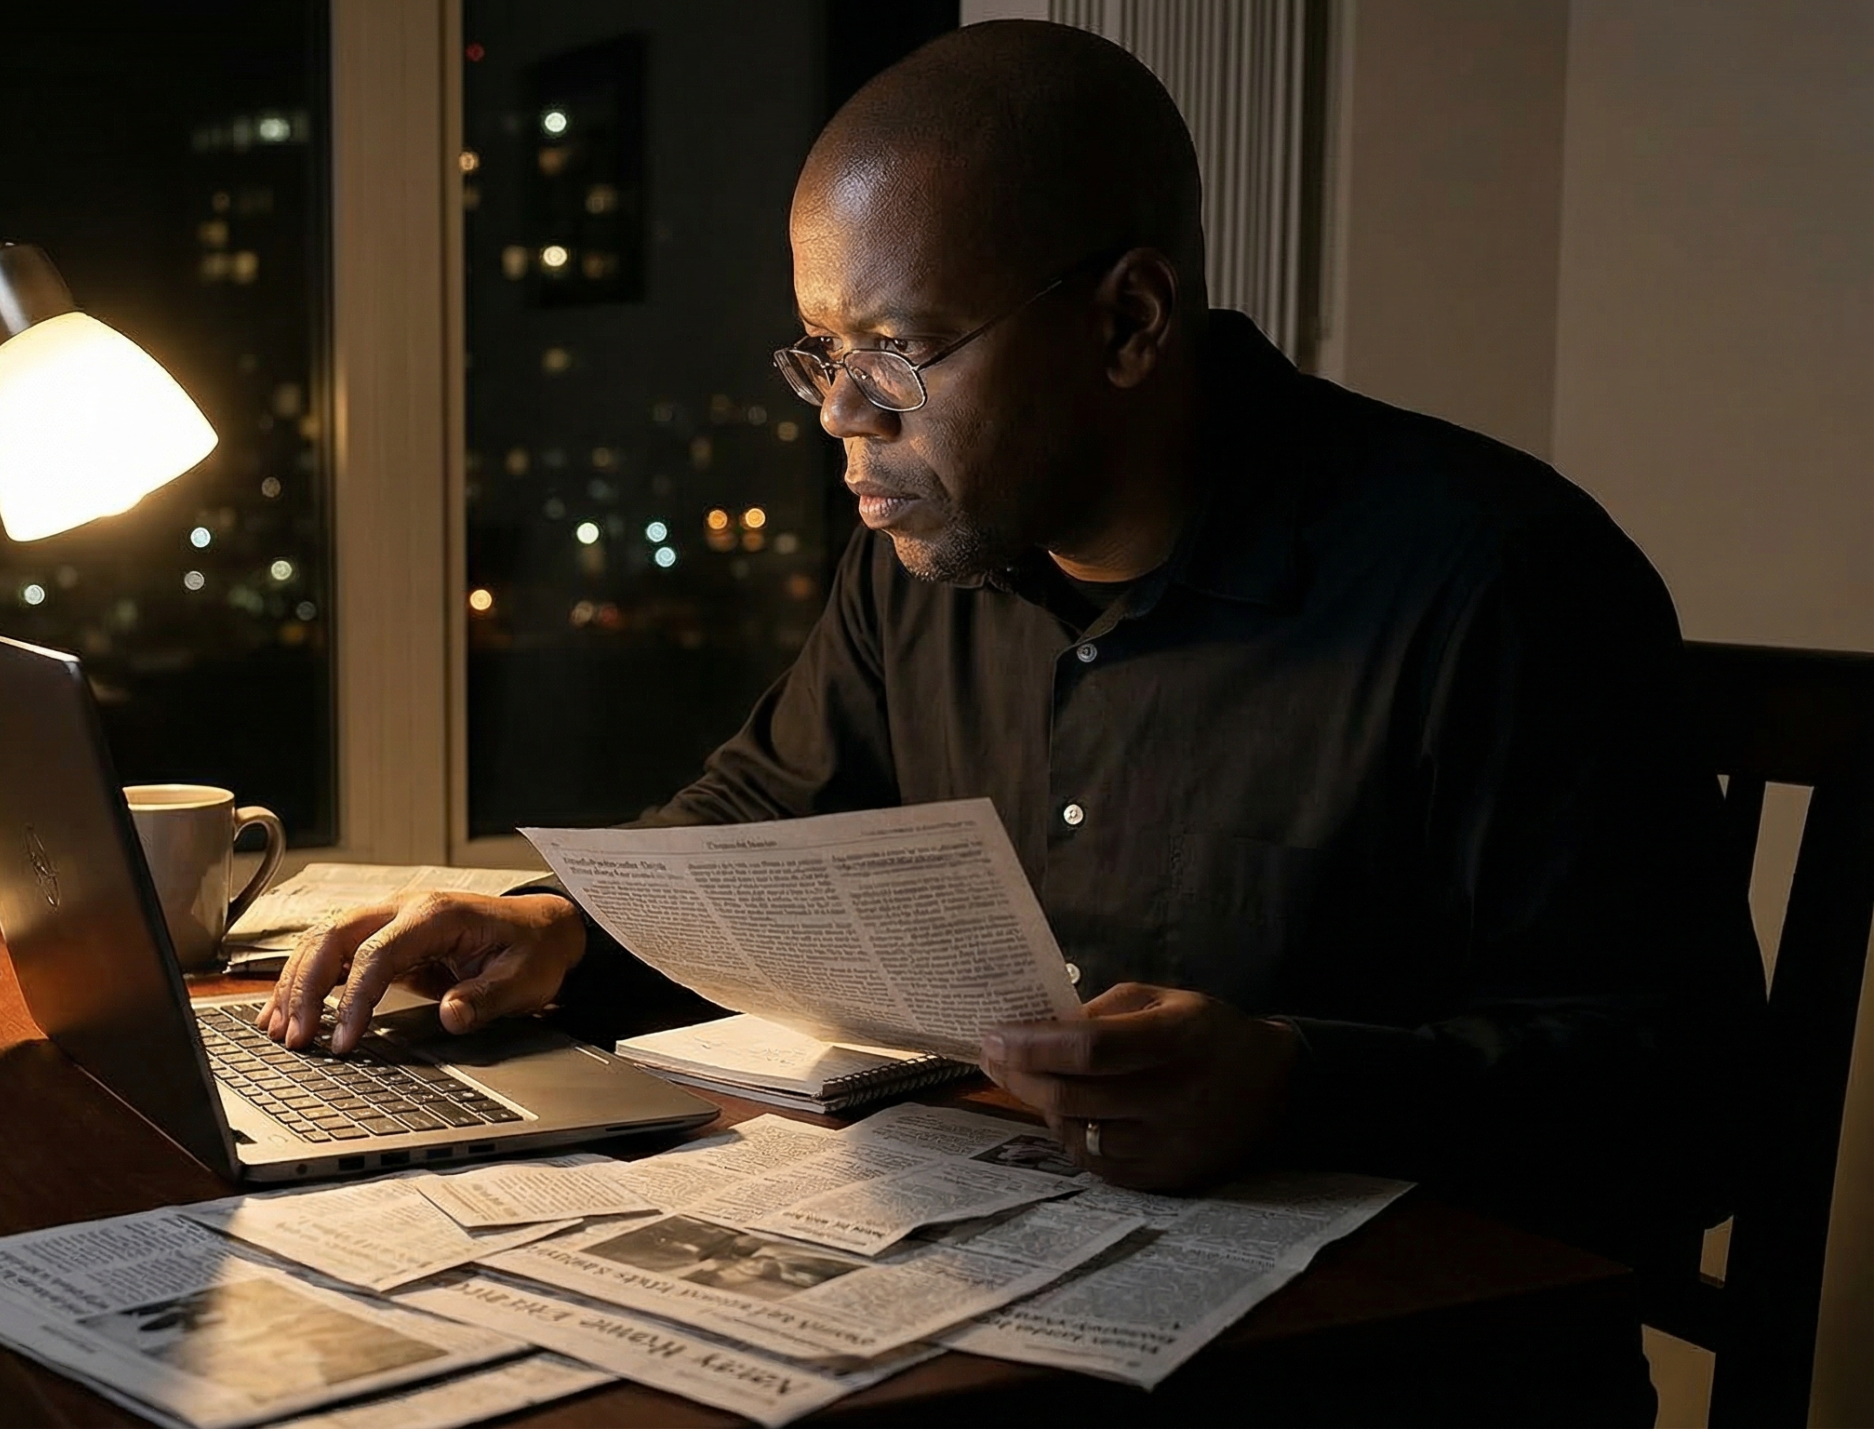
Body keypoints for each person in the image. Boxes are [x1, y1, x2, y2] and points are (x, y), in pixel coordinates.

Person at [264, 19, 1761, 1282]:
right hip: (1008, 1293)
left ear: (1126, 322)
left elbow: (1696, 1107)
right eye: (821, 356)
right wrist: (557, 928)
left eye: (896, 353)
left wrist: (1300, 1083)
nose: (846, 418)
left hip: (1385, 1352)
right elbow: (747, 830)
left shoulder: (1495, 584)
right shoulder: (924, 564)